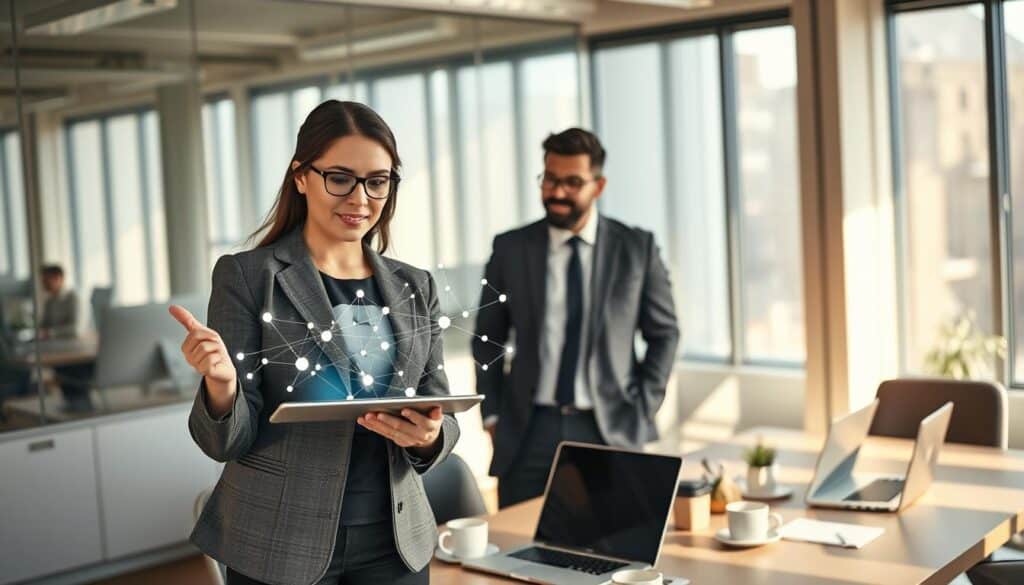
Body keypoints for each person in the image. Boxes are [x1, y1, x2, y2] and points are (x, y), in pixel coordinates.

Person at [170, 100, 459, 585]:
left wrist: (431, 437)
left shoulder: (416, 285)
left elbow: (441, 407)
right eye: (340, 178)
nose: (361, 198)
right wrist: (222, 386)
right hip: (279, 541)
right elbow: (227, 442)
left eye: (378, 181)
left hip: (395, 543)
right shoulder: (248, 276)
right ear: (301, 176)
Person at [473, 127, 680, 508]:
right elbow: (487, 337)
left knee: (612, 547)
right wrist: (492, 414)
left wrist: (644, 406)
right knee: (516, 547)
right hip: (526, 428)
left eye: (572, 182)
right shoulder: (510, 248)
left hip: (610, 426)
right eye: (550, 179)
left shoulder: (636, 249)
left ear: (598, 186)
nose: (557, 192)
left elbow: (664, 334)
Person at [39, 264, 78, 340]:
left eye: (46, 281)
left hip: (72, 345)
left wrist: (49, 333)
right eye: (43, 281)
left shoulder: (73, 298)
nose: (43, 284)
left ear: (58, 278)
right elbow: (44, 325)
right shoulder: (49, 301)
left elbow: (76, 329)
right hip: (55, 343)